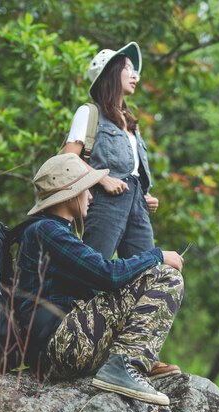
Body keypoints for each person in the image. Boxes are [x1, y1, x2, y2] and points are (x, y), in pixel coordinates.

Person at [16, 153, 184, 406]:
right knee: (166, 276)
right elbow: (108, 275)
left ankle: (134, 359)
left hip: (58, 348)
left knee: (142, 278)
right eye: (87, 190)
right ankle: (124, 367)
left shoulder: (50, 231)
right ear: (72, 194)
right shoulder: (47, 231)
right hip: (61, 346)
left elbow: (98, 281)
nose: (91, 196)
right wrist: (157, 255)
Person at [63, 41, 159, 260]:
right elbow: (67, 158)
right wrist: (102, 179)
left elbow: (130, 169)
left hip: (137, 208)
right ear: (112, 73)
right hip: (104, 204)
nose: (136, 76)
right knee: (92, 272)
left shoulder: (130, 122)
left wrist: (145, 195)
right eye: (128, 68)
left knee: (146, 275)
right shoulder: (89, 112)